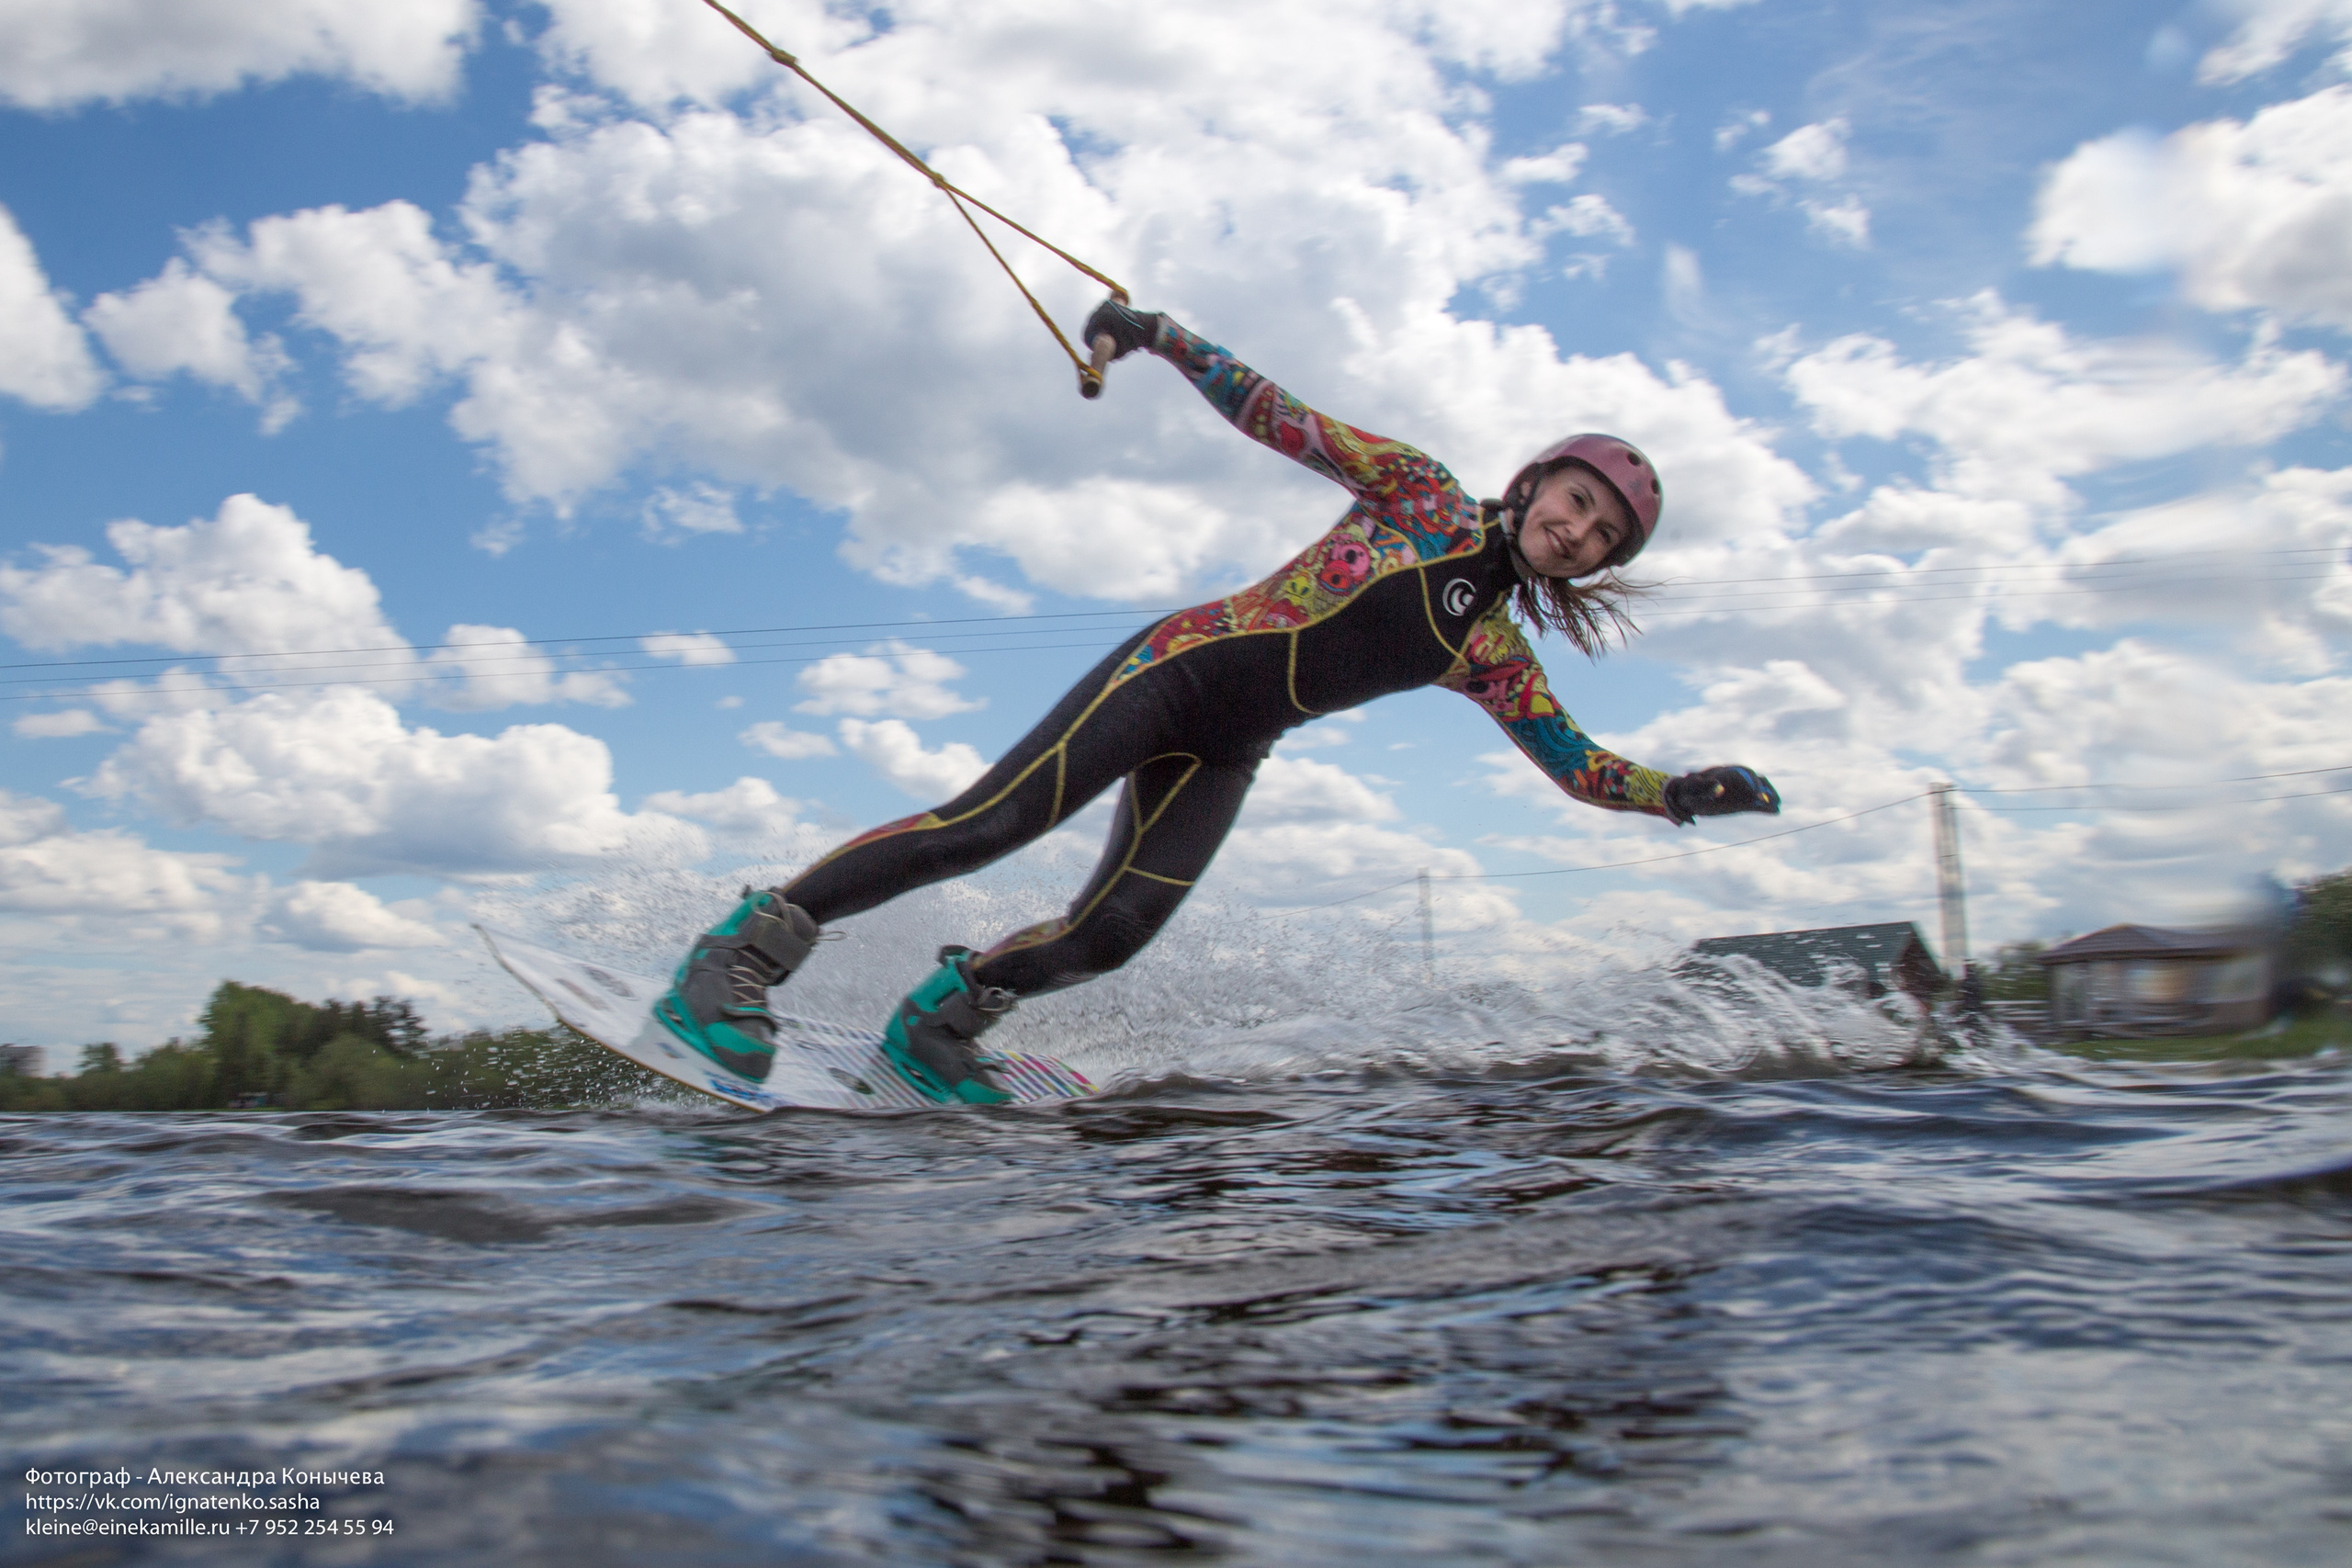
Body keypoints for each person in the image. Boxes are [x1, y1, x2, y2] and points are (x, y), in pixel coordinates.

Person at [656, 303, 1783, 1102]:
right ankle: (738, 960)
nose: (1577, 531)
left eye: (1600, 538)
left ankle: (942, 1024)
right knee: (989, 826)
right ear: (1538, 478)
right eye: (1576, 501)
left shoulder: (1493, 652)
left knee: (1113, 936)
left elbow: (1577, 764)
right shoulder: (1420, 492)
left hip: (1232, 744)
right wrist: (1153, 336)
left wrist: (1676, 792)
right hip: (1179, 670)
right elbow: (1276, 414)